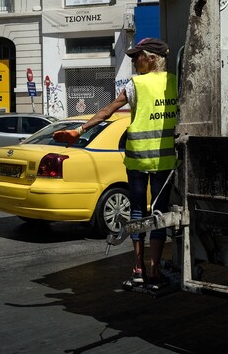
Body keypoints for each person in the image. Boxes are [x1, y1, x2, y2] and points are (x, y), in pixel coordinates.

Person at [53, 38, 179, 288]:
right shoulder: (177, 83)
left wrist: (79, 130)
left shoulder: (137, 85)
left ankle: (138, 269)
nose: (133, 61)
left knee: (136, 212)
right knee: (158, 214)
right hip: (165, 161)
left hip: (137, 160)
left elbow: (108, 111)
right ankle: (154, 272)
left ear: (152, 58)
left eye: (136, 56)